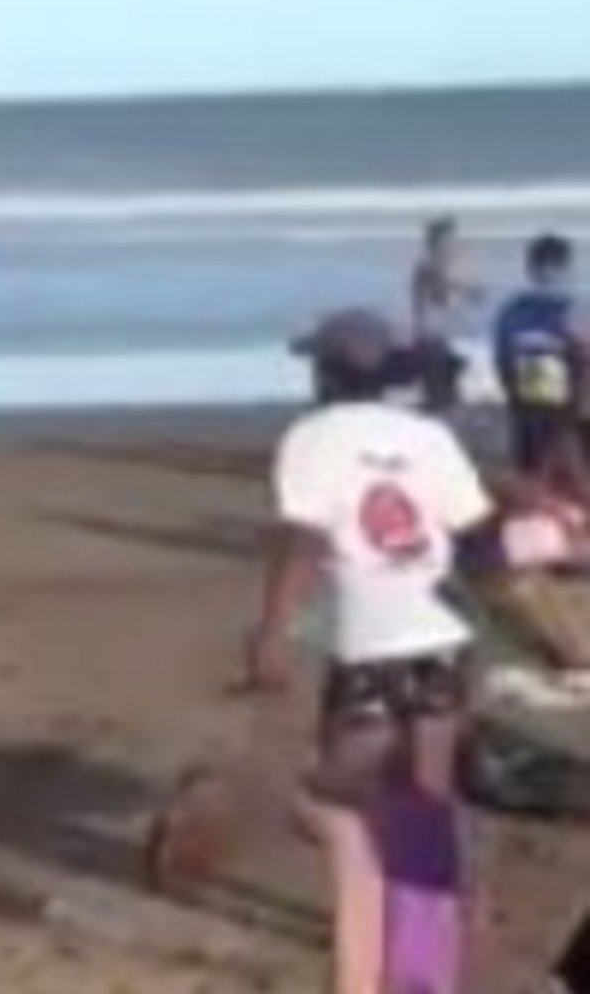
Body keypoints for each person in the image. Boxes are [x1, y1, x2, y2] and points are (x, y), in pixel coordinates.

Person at [148, 309, 492, 994]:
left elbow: (303, 542)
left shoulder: (312, 438)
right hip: (441, 640)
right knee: (422, 805)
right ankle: (422, 973)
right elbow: (476, 536)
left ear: (327, 374)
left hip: (370, 646)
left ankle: (361, 976)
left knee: (342, 810)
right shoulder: (429, 436)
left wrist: (273, 630)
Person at [493, 234, 590, 483]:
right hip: (566, 413)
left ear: (530, 269)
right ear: (564, 268)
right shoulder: (573, 310)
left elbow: (502, 363)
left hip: (525, 409)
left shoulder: (510, 310)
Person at [410, 216, 481, 413]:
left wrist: (464, 290)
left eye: (452, 240)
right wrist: (462, 288)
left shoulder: (436, 265)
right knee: (441, 387)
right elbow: (438, 296)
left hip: (439, 332)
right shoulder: (429, 265)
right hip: (432, 333)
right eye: (448, 240)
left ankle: (442, 401)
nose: (452, 245)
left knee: (446, 384)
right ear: (436, 242)